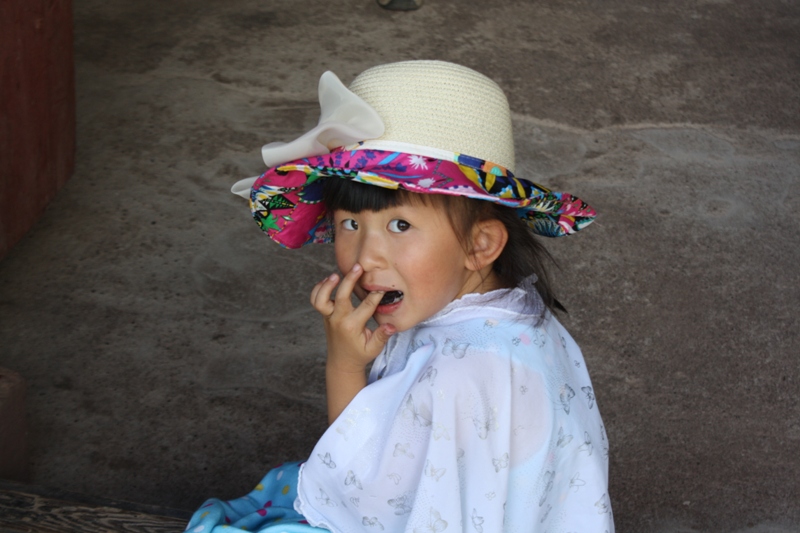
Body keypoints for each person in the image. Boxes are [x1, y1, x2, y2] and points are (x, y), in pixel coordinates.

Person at [185, 60, 614, 533]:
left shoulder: (456, 375)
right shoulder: (515, 318)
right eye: (350, 223)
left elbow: (362, 497)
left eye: (400, 225)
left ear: (481, 245)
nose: (366, 256)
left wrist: (344, 365)